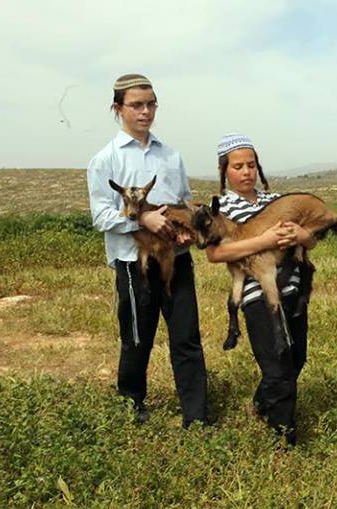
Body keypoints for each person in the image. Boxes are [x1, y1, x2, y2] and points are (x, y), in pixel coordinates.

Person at [87, 73, 209, 428]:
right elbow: (100, 215)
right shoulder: (105, 160)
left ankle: (196, 416)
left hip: (176, 260)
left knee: (186, 336)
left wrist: (186, 231)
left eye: (151, 103)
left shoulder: (171, 156)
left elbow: (184, 202)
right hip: (133, 262)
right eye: (136, 105)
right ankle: (131, 406)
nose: (145, 111)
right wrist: (143, 220)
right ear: (118, 108)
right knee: (138, 337)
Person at [203, 134, 315, 446]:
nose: (246, 172)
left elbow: (310, 243)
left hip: (293, 292)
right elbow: (215, 254)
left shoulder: (276, 202)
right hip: (257, 296)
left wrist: (304, 235)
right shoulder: (221, 208)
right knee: (278, 368)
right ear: (225, 170)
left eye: (251, 165)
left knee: (297, 359)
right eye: (237, 166)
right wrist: (263, 242)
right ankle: (284, 442)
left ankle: (261, 404)